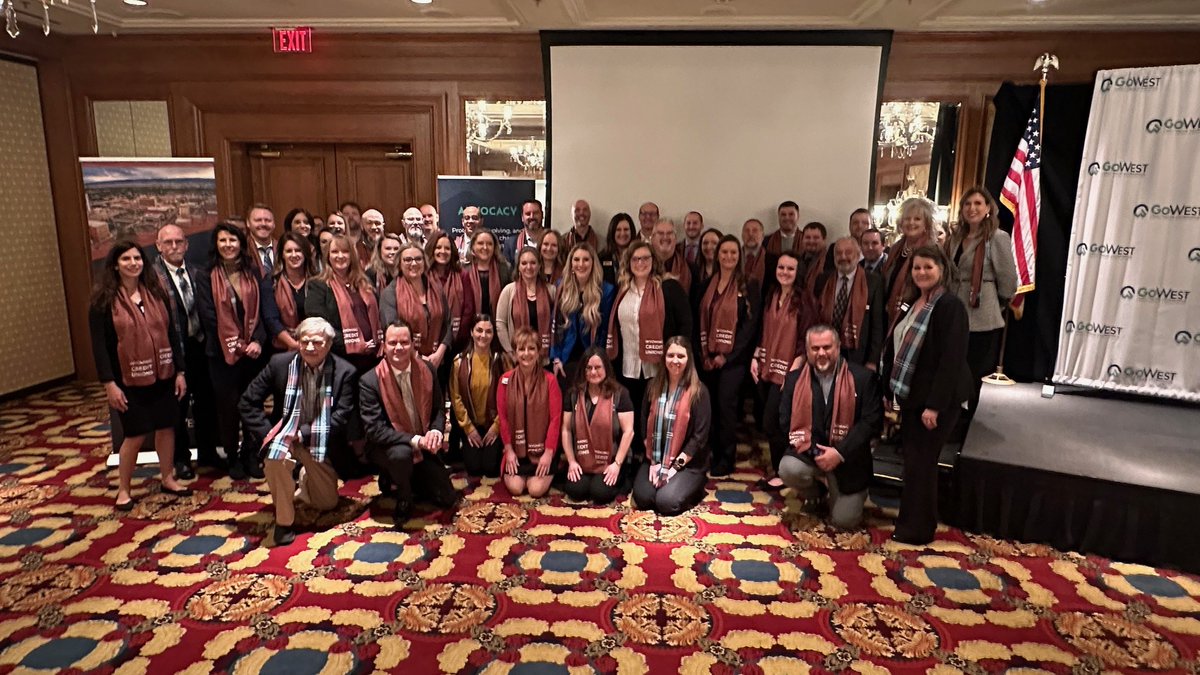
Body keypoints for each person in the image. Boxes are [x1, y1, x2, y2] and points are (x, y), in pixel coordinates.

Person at [879, 245, 971, 545]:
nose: (921, 273)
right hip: (913, 398)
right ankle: (916, 521)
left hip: (936, 402)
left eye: (927, 267)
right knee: (916, 464)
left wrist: (934, 406)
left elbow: (950, 360)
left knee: (922, 463)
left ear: (942, 269)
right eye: (916, 268)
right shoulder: (913, 302)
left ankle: (916, 530)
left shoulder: (950, 306)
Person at [90, 240, 191, 510]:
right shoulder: (103, 302)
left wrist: (179, 371)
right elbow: (100, 347)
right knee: (134, 434)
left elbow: (172, 334)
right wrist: (109, 384)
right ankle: (124, 489)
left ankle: (167, 477)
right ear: (115, 264)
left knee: (166, 427)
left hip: (164, 373)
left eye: (137, 258)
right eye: (126, 259)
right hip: (127, 380)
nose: (133, 263)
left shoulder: (156, 293)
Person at [239, 317, 356, 545]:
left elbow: (340, 418)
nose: (310, 347)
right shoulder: (279, 364)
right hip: (285, 437)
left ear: (329, 344)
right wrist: (269, 435)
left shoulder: (345, 372)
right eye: (304, 341)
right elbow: (247, 402)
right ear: (297, 342)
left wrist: (302, 433)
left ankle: (303, 477)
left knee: (327, 503)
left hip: (319, 442)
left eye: (317, 342)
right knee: (275, 458)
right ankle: (284, 523)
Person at [778, 325, 882, 529]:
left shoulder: (862, 379)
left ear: (838, 347)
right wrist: (818, 453)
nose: (821, 353)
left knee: (843, 521)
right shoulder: (794, 380)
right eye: (815, 349)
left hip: (849, 460)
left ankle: (846, 492)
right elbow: (785, 422)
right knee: (788, 469)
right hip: (812, 454)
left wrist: (838, 453)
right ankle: (816, 492)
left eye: (827, 347)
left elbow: (872, 422)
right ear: (807, 351)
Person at [360, 320, 460, 527]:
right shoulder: (370, 381)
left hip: (423, 443)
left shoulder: (428, 370)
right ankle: (404, 495)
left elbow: (438, 409)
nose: (398, 348)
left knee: (447, 498)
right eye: (393, 342)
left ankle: (399, 478)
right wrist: (416, 441)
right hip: (388, 446)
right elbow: (375, 430)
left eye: (404, 342)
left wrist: (435, 432)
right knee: (401, 455)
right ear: (384, 345)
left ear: (413, 344)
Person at [195, 222, 272, 480]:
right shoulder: (206, 275)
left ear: (241, 243)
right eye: (223, 240)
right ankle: (232, 456)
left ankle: (251, 454)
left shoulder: (253, 271)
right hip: (222, 355)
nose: (228, 245)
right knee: (228, 409)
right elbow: (208, 317)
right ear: (216, 244)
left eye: (233, 240)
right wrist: (237, 345)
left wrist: (258, 341)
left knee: (252, 405)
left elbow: (263, 312)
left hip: (253, 354)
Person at [944, 186, 1018, 418]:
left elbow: (1008, 280)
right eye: (967, 204)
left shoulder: (997, 237)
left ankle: (966, 422)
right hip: (954, 310)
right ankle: (951, 418)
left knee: (971, 373)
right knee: (952, 369)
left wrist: (998, 302)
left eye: (978, 203)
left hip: (981, 315)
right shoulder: (955, 238)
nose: (972, 208)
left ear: (988, 209)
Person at [750, 251, 819, 492]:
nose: (785, 272)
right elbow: (762, 329)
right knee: (769, 421)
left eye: (790, 269)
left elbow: (807, 339)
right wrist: (755, 355)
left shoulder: (805, 300)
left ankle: (783, 471)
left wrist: (793, 373)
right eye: (781, 267)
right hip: (767, 366)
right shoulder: (771, 295)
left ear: (797, 272)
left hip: (791, 370)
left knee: (776, 421)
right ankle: (778, 467)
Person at [154, 224, 219, 477]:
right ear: (158, 246)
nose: (174, 247)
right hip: (172, 352)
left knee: (206, 403)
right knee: (178, 408)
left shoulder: (196, 272)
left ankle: (208, 453)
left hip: (200, 347)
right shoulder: (152, 278)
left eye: (178, 242)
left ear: (186, 245)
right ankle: (181, 459)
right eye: (168, 242)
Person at [606, 241, 692, 431]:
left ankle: (652, 454)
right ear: (628, 262)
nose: (640, 263)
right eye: (635, 259)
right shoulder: (623, 290)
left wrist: (678, 358)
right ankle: (633, 453)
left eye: (645, 258)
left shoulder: (669, 287)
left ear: (654, 261)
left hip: (659, 365)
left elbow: (685, 325)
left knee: (654, 414)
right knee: (631, 411)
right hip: (627, 365)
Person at [697, 235, 761, 476]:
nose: (728, 257)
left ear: (739, 256)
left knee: (726, 409)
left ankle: (726, 458)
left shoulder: (749, 284)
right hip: (708, 358)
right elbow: (700, 319)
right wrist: (704, 354)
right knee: (709, 408)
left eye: (734, 253)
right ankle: (711, 453)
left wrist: (728, 356)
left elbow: (750, 327)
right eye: (724, 252)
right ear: (717, 255)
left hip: (734, 361)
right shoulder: (706, 284)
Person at [632, 337, 711, 516]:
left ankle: (696, 486)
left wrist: (673, 468)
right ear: (664, 358)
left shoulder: (699, 392)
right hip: (656, 459)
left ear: (688, 359)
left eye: (680, 356)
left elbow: (699, 438)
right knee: (643, 498)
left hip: (687, 464)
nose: (675, 361)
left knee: (666, 502)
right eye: (671, 355)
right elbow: (644, 424)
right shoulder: (652, 386)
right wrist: (654, 462)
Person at [561, 348, 635, 505]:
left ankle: (623, 478)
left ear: (606, 368)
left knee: (600, 493)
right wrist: (572, 461)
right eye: (589, 368)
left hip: (611, 460)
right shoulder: (573, 395)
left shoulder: (621, 394)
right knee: (576, 491)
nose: (593, 372)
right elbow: (566, 430)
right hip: (582, 460)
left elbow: (629, 432)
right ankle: (589, 476)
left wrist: (617, 464)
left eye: (598, 367)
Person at [497, 327, 563, 497]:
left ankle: (547, 469)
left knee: (535, 490)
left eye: (531, 348)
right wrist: (509, 451)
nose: (527, 354)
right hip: (516, 451)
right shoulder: (504, 381)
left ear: (539, 352)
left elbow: (555, 420)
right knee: (516, 488)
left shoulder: (550, 381)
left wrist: (548, 453)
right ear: (514, 353)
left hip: (542, 451)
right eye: (521, 349)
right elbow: (503, 419)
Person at [305, 233, 382, 375]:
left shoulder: (365, 283)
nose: (340, 256)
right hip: (340, 359)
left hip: (373, 357)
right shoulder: (318, 285)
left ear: (352, 255)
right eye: (335, 252)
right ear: (328, 256)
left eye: (345, 251)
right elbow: (320, 326)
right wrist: (354, 344)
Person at [450, 315, 510, 477]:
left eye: (488, 332)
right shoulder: (459, 362)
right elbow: (456, 399)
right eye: (479, 330)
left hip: (494, 424)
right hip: (472, 425)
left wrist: (496, 427)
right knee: (474, 469)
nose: (483, 335)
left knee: (490, 469)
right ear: (471, 332)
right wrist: (469, 429)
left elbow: (508, 396)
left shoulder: (501, 362)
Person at [815, 237, 885, 368]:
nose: (843, 257)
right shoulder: (823, 279)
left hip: (857, 354)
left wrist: (872, 360)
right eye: (838, 253)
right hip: (825, 348)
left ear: (858, 255)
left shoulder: (874, 282)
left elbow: (877, 324)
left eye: (848, 252)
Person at [380, 241, 451, 370]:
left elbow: (447, 323)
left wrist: (439, 353)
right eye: (408, 260)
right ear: (399, 264)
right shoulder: (390, 293)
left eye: (418, 259)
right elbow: (392, 333)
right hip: (405, 364)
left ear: (425, 262)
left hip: (438, 361)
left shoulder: (436, 288)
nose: (413, 263)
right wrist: (419, 358)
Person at [551, 243, 615, 384]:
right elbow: (555, 326)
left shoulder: (606, 290)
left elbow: (605, 331)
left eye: (586, 259)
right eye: (576, 259)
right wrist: (556, 358)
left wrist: (599, 361)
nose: (581, 264)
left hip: (593, 360)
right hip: (566, 360)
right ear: (571, 263)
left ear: (593, 263)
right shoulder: (561, 287)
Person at [882, 197, 937, 325]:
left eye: (917, 219)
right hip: (891, 313)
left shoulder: (931, 250)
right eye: (907, 218)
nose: (911, 223)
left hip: (916, 314)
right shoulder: (896, 248)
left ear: (926, 224)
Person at [496, 248, 556, 359]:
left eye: (533, 263)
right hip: (518, 358)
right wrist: (511, 352)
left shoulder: (551, 291)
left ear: (539, 266)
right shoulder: (509, 291)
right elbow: (500, 324)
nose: (529, 267)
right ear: (518, 266)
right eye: (524, 263)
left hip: (546, 358)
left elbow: (557, 324)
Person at [426, 232, 475, 352]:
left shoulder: (462, 275)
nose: (443, 251)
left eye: (447, 248)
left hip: (456, 343)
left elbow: (468, 310)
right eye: (438, 247)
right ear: (431, 249)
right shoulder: (423, 275)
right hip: (427, 342)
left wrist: (456, 338)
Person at [272, 232, 317, 351]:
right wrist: (294, 344)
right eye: (288, 251)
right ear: (282, 254)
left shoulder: (317, 280)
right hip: (283, 348)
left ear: (305, 253)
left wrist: (308, 342)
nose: (294, 255)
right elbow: (271, 320)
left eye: (298, 250)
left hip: (316, 344)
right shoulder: (271, 282)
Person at [463, 229, 509, 317]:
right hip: (470, 325)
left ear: (495, 247)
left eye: (489, 244)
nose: (485, 247)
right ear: (473, 246)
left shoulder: (505, 269)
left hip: (498, 324)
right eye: (480, 243)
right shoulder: (463, 270)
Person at [501, 199, 545, 266]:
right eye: (528, 214)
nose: (532, 217)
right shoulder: (511, 244)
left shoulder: (553, 241)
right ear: (522, 217)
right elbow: (506, 273)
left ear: (542, 215)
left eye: (535, 213)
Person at [651, 219, 691, 292]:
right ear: (652, 239)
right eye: (660, 233)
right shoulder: (642, 266)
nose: (665, 237)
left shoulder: (691, 269)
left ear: (675, 238)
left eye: (669, 233)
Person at [799, 222, 835, 293]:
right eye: (807, 237)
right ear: (802, 239)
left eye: (816, 238)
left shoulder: (831, 261)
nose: (811, 241)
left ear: (824, 240)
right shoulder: (796, 260)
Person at [600, 213, 635, 286]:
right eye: (618, 230)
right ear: (612, 232)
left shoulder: (638, 256)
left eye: (626, 229)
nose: (622, 233)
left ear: (631, 232)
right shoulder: (602, 257)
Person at [246, 204, 278, 278]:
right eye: (258, 220)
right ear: (248, 223)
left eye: (268, 220)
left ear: (274, 224)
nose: (263, 224)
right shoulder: (242, 249)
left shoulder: (283, 248)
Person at [693, 228, 722, 294]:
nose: (709, 247)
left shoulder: (727, 272)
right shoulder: (692, 272)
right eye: (705, 243)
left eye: (714, 243)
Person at [741, 219, 767, 288]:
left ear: (763, 236)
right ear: (742, 235)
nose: (750, 234)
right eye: (747, 231)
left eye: (755, 231)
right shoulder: (733, 258)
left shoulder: (772, 260)